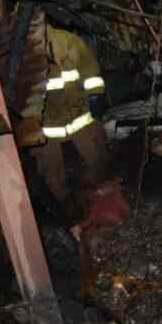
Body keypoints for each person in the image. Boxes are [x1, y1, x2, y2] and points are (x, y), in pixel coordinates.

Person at [30, 23, 111, 219]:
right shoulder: (17, 48)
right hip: (44, 123)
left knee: (97, 156)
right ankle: (64, 209)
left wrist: (95, 94)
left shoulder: (67, 41)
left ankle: (105, 195)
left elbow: (89, 69)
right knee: (50, 172)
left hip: (79, 114)